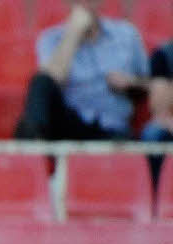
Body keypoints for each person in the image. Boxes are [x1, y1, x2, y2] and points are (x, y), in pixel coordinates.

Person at [15, 0, 148, 141]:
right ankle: (32, 151)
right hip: (69, 125)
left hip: (114, 129)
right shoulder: (50, 39)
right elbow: (50, 83)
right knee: (40, 81)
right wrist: (73, 34)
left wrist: (130, 83)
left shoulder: (127, 35)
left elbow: (150, 86)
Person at [142, 40, 173, 187]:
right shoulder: (165, 54)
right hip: (169, 125)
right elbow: (158, 108)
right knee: (152, 133)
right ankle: (156, 196)